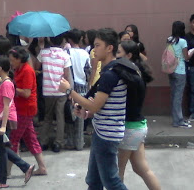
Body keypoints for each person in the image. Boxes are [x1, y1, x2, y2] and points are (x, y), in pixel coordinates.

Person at [58, 28, 128, 190]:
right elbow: (99, 107)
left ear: (109, 48)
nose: (93, 49)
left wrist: (69, 91)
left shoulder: (111, 74)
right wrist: (87, 112)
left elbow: (95, 106)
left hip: (107, 135)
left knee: (111, 182)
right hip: (101, 131)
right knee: (94, 181)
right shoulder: (109, 71)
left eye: (97, 45)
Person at [0, 55, 35, 189]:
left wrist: (4, 126)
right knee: (2, 149)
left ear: (0, 69)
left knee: (1, 150)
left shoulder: (6, 84)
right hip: (3, 118)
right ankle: (25, 167)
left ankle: (2, 180)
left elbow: (6, 106)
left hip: (3, 120)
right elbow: (1, 101)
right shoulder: (5, 83)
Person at [116, 40, 161, 190]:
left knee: (118, 173)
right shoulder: (137, 72)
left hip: (130, 128)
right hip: (139, 126)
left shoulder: (128, 75)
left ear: (128, 55)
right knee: (141, 169)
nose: (116, 56)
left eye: (118, 53)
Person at [8, 46, 47, 175]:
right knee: (31, 139)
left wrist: (11, 87)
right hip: (20, 108)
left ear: (19, 59)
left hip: (25, 109)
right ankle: (42, 168)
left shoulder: (27, 71)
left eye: (12, 59)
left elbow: (26, 93)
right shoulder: (18, 70)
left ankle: (6, 172)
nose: (11, 62)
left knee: (13, 140)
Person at [34, 33, 72, 153]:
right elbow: (66, 74)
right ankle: (58, 143)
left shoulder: (43, 53)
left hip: (47, 90)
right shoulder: (65, 55)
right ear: (62, 42)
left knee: (47, 117)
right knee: (60, 117)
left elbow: (37, 66)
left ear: (49, 39)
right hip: (61, 90)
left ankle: (44, 142)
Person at [64, 29, 91, 150]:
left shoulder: (66, 52)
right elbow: (88, 71)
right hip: (83, 88)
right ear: (80, 39)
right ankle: (79, 143)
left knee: (69, 117)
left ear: (69, 40)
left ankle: (70, 141)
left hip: (70, 88)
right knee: (80, 116)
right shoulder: (85, 53)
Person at [167, 21, 191, 128]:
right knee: (178, 96)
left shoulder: (169, 39)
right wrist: (192, 52)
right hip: (180, 70)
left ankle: (175, 118)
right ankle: (179, 120)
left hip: (171, 69)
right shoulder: (183, 41)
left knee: (173, 95)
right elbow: (186, 57)